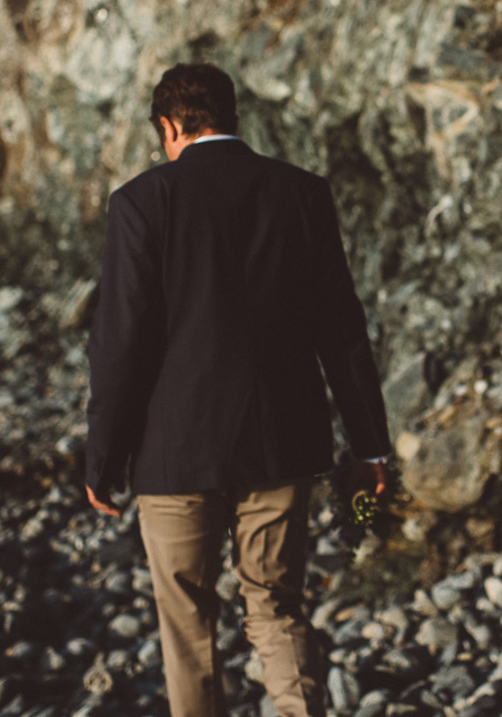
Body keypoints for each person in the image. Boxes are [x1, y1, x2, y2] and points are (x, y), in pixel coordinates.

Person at [85, 63, 392, 717]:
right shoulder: (300, 192)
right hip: (280, 443)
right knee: (277, 606)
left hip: (174, 455)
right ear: (232, 116)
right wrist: (371, 446)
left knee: (188, 629)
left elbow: (120, 345)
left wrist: (103, 459)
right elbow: (342, 330)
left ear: (170, 127)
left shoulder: (141, 202)